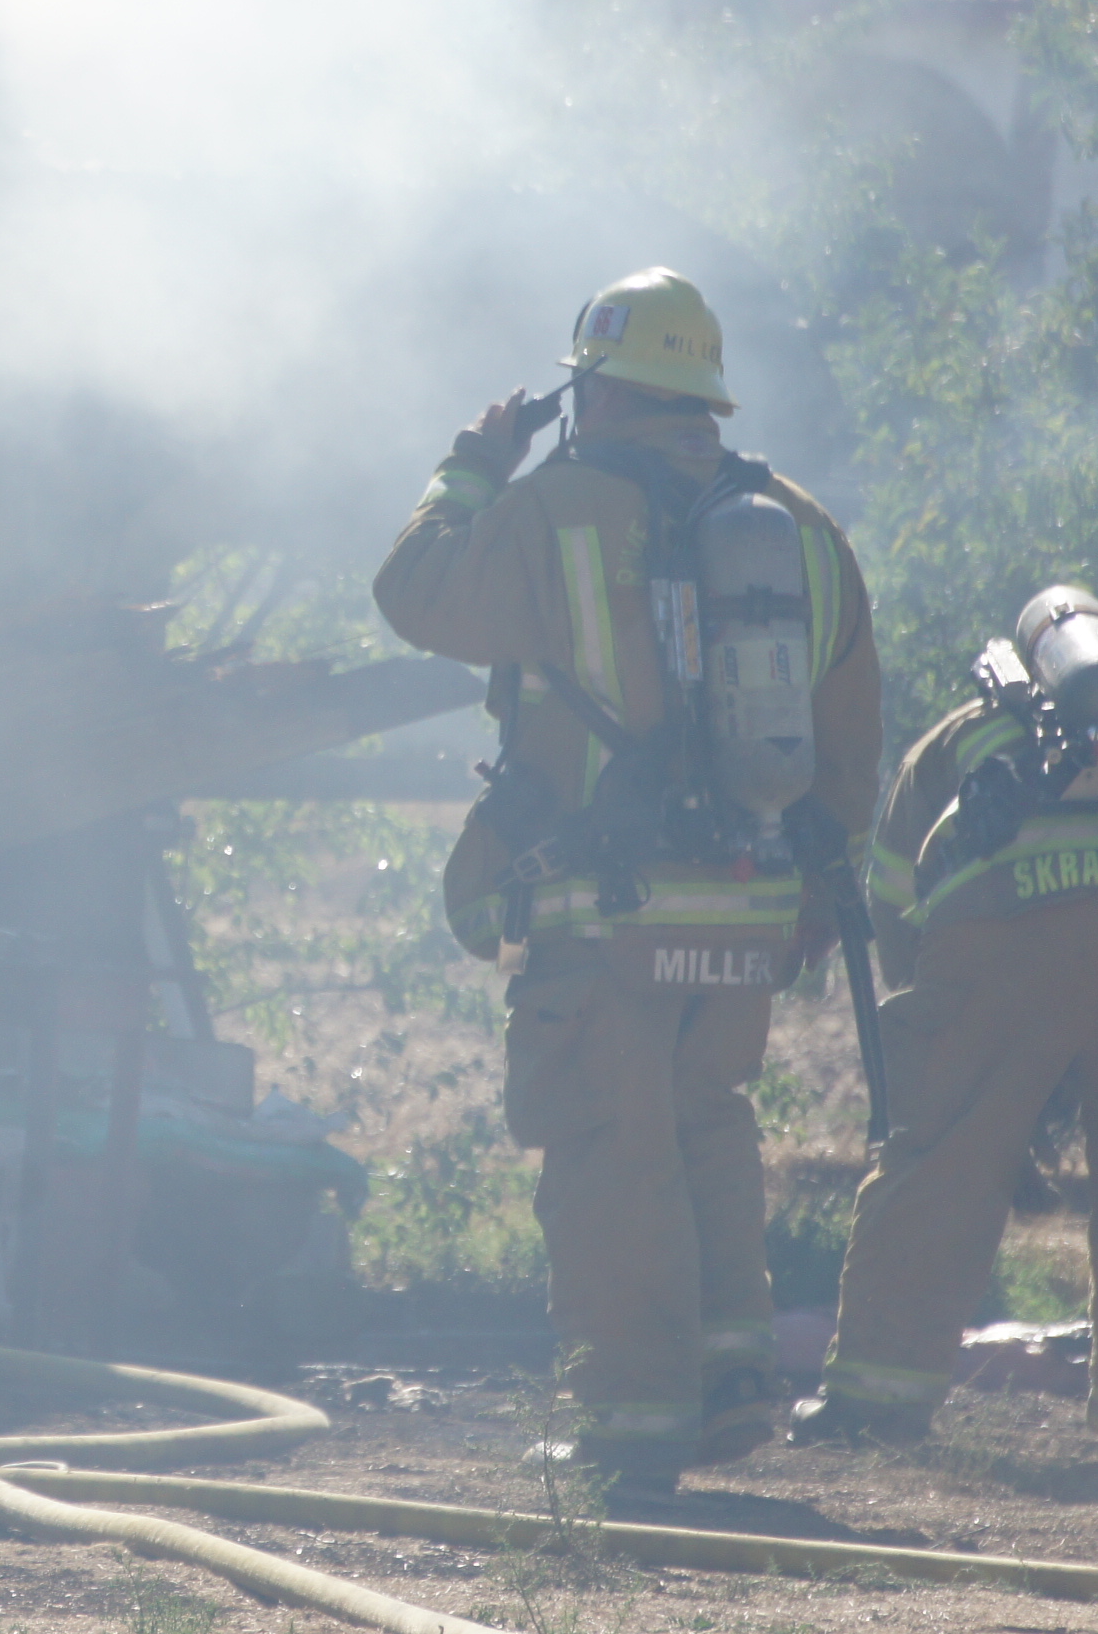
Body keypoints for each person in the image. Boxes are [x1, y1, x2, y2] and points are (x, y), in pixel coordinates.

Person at [374, 267, 881, 1492]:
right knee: (708, 1125)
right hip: (752, 905)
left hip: (603, 906)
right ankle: (724, 1382)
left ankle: (628, 1420)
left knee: (611, 1142)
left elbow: (413, 591)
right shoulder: (802, 529)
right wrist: (810, 899)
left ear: (590, 389)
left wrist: (468, 465)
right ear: (702, 393)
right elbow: (848, 730)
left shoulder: (551, 505)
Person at [793, 587, 1098, 1483]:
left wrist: (945, 1017)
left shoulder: (966, 737)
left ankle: (876, 1401)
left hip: (1007, 923)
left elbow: (893, 884)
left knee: (942, 1159)